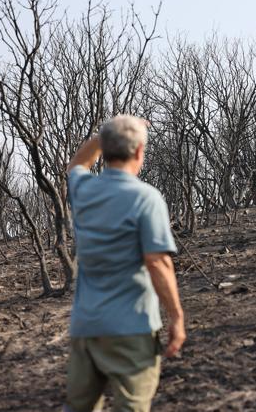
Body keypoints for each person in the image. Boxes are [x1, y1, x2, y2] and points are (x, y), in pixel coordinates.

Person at [64, 115, 186, 412]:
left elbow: (77, 165)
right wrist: (176, 317)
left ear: (105, 151)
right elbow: (157, 263)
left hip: (86, 327)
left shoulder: (83, 191)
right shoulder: (146, 198)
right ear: (139, 151)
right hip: (132, 327)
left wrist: (105, 135)